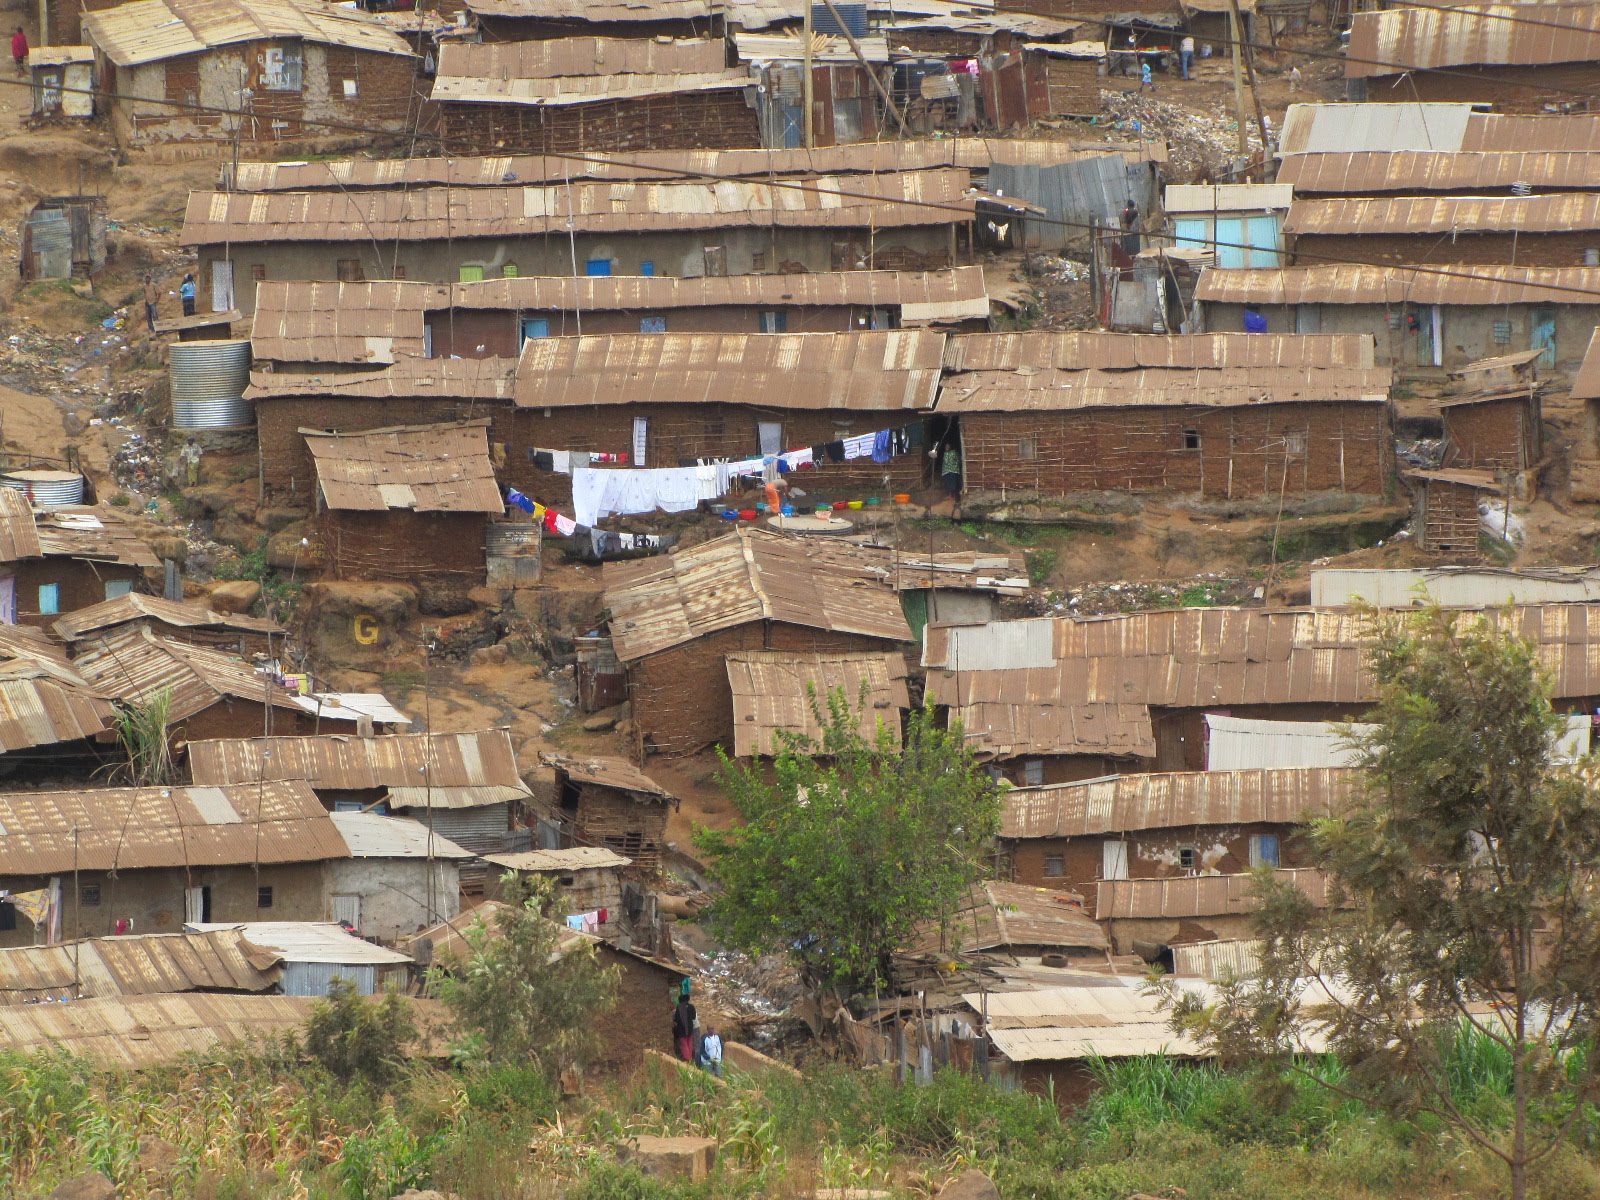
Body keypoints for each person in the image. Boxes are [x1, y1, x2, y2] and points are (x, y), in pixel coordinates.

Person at [672, 994, 697, 1063]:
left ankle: (687, 1059)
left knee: (684, 1044)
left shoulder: (679, 1007)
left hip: (681, 1029)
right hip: (690, 1029)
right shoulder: (691, 1006)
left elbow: (677, 1019)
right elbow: (694, 1017)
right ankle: (691, 1058)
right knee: (689, 1043)